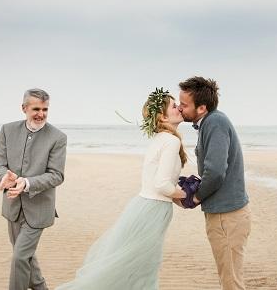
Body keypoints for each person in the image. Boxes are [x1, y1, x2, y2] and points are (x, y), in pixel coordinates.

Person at [56, 88, 187, 290]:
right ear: (162, 115)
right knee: (143, 268)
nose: (179, 108)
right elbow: (162, 185)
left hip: (144, 206)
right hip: (153, 211)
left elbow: (157, 181)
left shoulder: (160, 139)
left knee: (136, 267)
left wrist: (176, 195)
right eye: (173, 106)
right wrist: (185, 195)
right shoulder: (171, 140)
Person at [178, 77, 251, 290]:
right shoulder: (209, 123)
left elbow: (216, 172)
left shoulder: (215, 123)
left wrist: (197, 197)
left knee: (231, 282)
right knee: (229, 278)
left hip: (226, 217)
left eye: (184, 104)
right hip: (224, 214)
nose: (179, 108)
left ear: (201, 107)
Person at [0, 88, 67, 290]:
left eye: (45, 109)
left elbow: (56, 175)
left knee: (19, 258)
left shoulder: (58, 137)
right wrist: (4, 177)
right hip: (12, 207)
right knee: (26, 257)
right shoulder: (7, 130)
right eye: (36, 109)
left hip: (40, 209)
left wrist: (26, 182)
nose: (41, 114)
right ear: (24, 108)